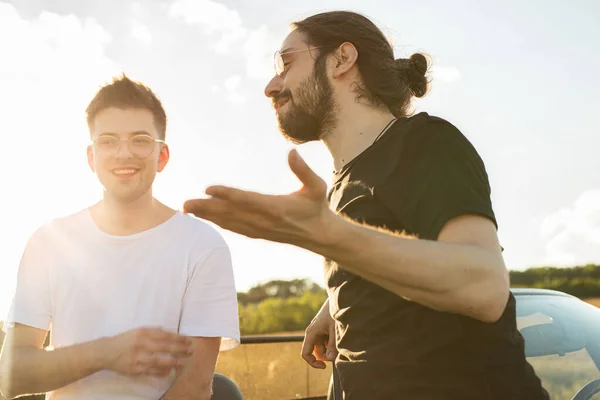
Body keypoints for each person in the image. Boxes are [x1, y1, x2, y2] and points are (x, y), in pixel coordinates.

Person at [182, 10, 550, 400]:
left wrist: (330, 237)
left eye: (286, 63)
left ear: (342, 59)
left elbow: (485, 287)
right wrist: (337, 302)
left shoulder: (425, 143)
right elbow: (407, 252)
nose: (272, 86)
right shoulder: (342, 185)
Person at [0, 75, 242, 400]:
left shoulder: (203, 246)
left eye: (140, 139)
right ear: (92, 157)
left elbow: (195, 386)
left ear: (162, 156)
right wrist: (108, 352)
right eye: (108, 140)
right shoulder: (48, 242)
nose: (123, 153)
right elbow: (10, 377)